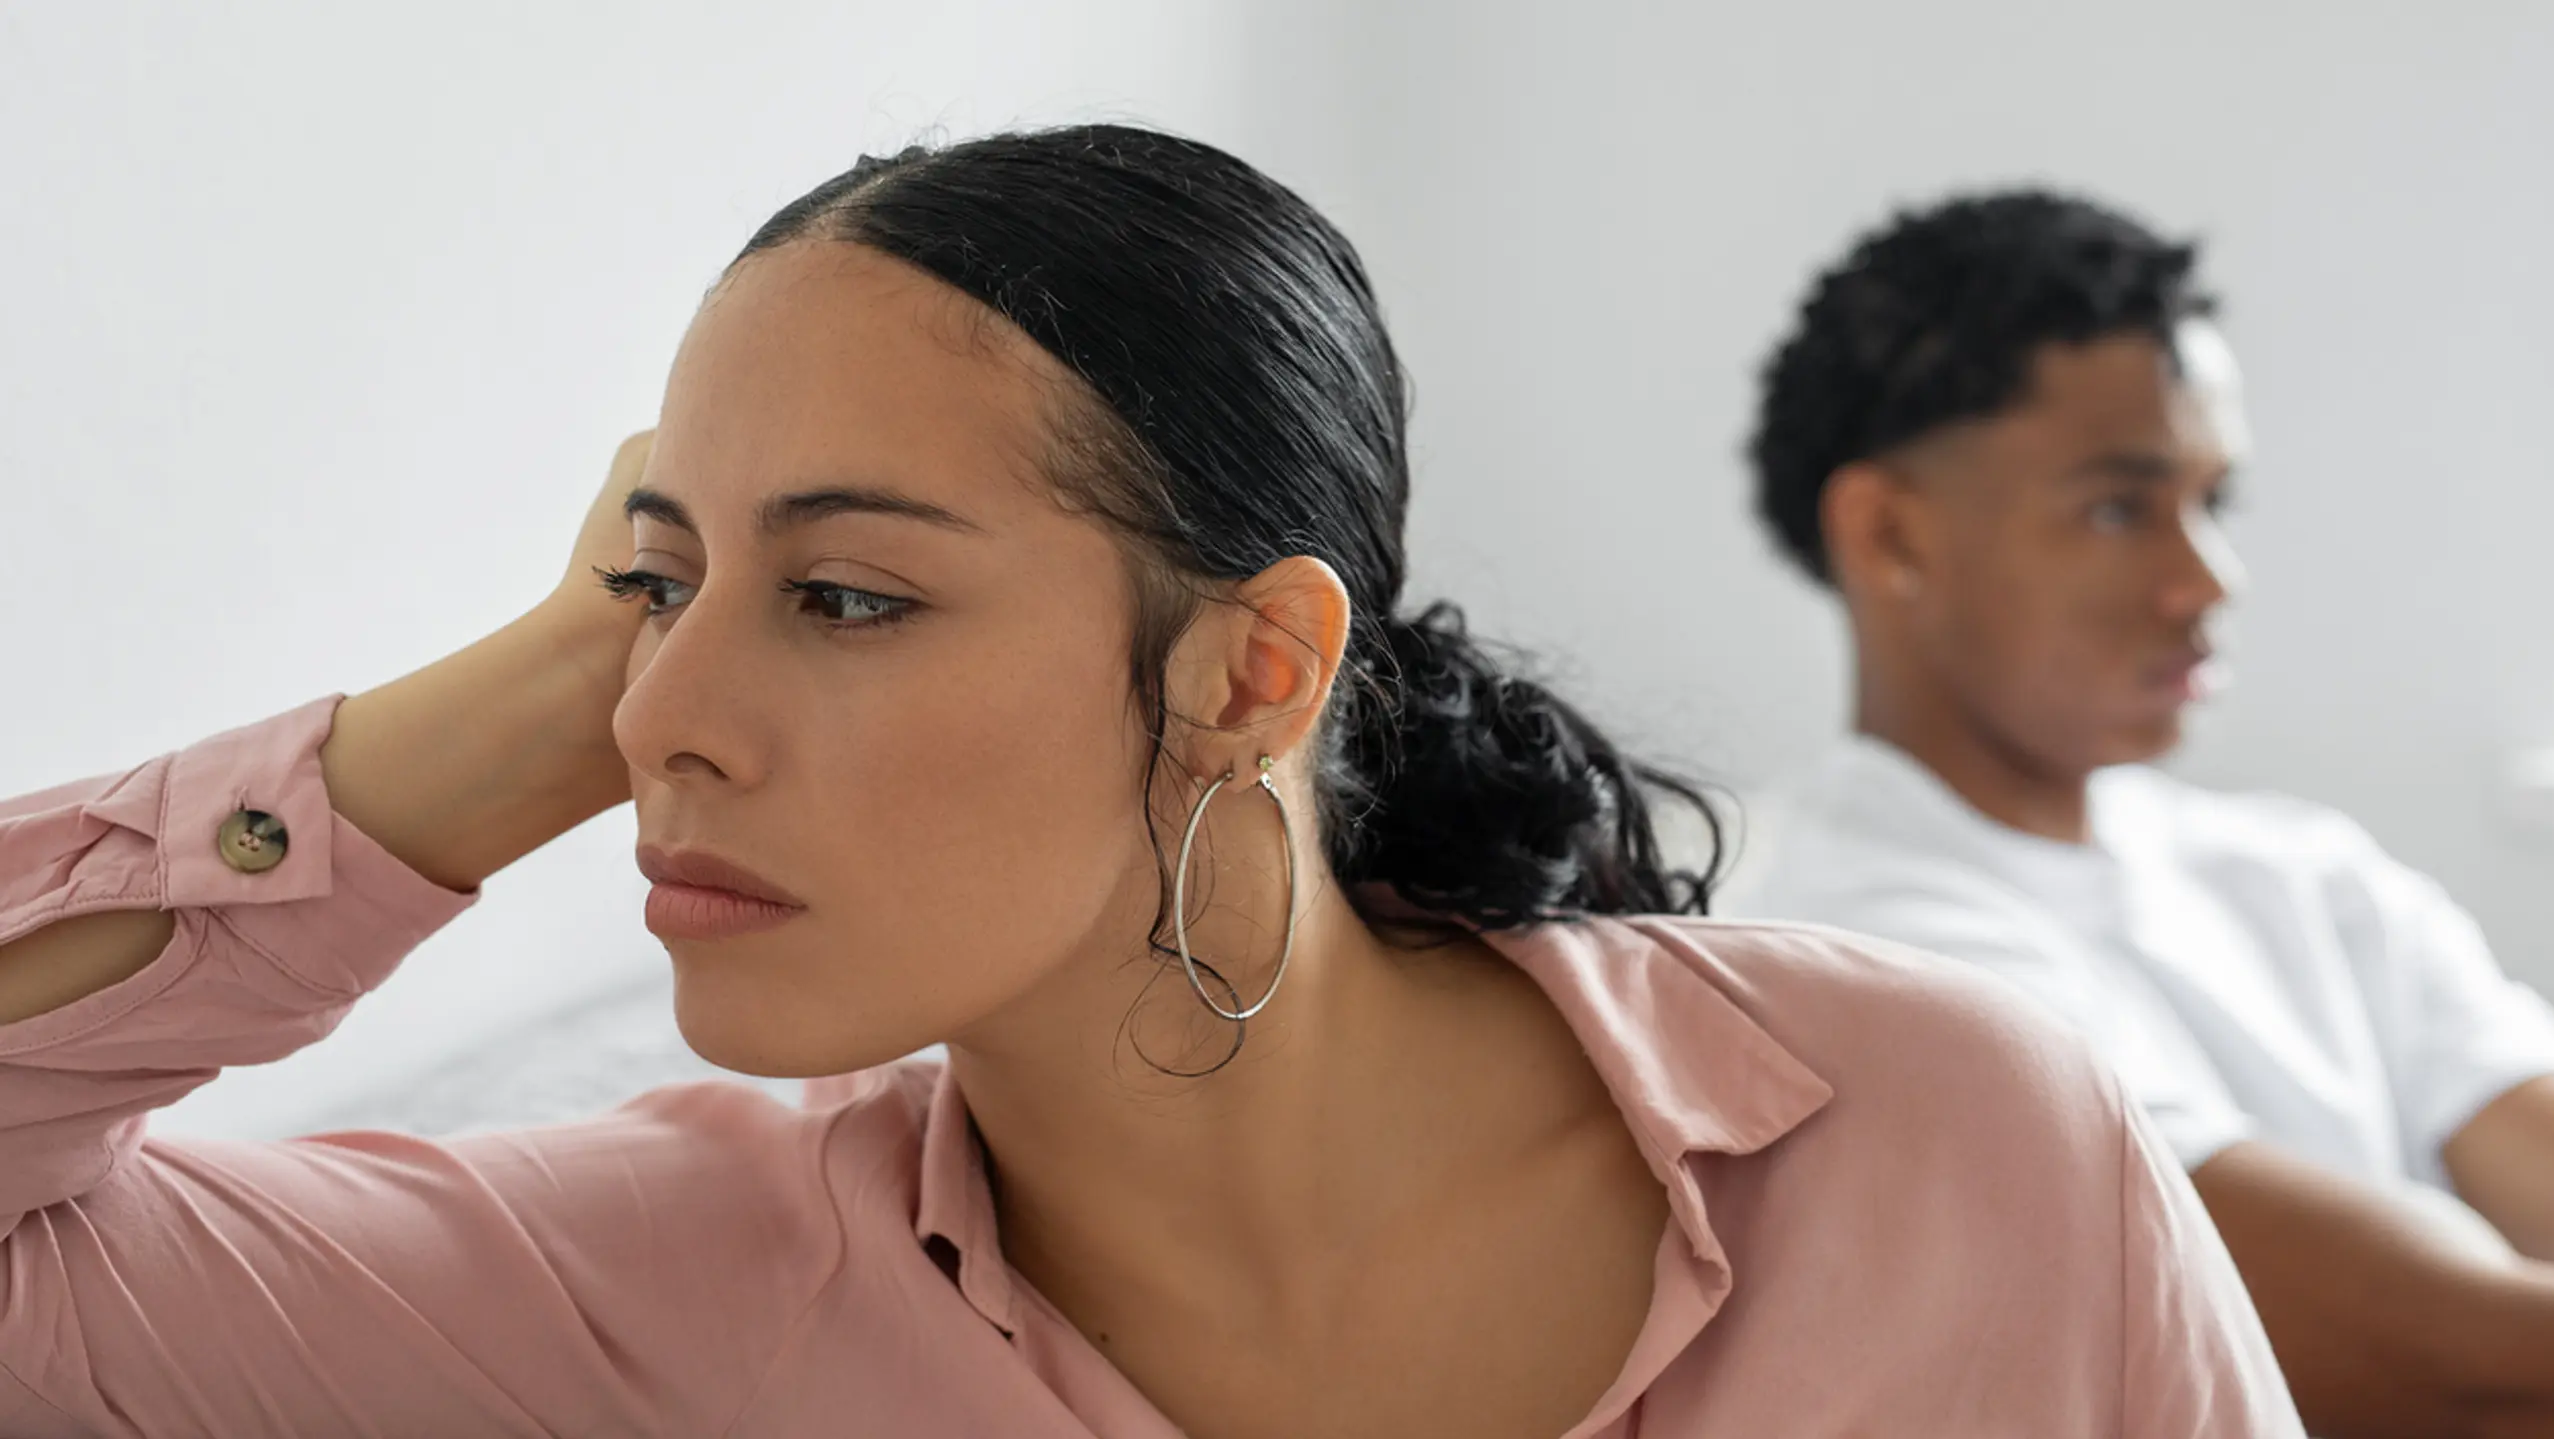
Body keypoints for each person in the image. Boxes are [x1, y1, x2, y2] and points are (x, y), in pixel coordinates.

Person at [0, 130, 2295, 1437]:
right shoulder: (645, 1286)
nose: (655, 717)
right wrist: (527, 698)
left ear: (1248, 669)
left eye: (847, 594)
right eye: (654, 589)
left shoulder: (1954, 1142)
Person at [1727, 187, 2554, 1437]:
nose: (2206, 579)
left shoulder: (2308, 874)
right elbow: (2444, 1361)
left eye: (2215, 500)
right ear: (1888, 532)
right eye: (2118, 508)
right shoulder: (1845, 953)